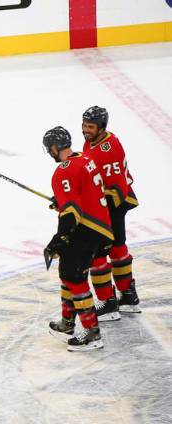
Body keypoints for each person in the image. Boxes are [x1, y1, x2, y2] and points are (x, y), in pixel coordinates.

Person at [43, 127, 113, 352]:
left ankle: (91, 333)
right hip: (101, 226)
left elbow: (71, 212)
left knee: (74, 275)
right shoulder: (85, 160)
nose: (50, 153)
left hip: (87, 228)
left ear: (54, 148)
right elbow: (82, 193)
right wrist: (62, 202)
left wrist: (59, 238)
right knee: (67, 270)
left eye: (49, 149)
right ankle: (67, 323)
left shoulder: (62, 172)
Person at [81, 105, 141, 317]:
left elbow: (114, 189)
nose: (85, 130)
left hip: (113, 203)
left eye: (90, 126)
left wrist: (82, 203)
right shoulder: (94, 141)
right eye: (84, 125)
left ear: (101, 127)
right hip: (110, 202)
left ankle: (108, 303)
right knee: (117, 248)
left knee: (98, 252)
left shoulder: (109, 149)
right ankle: (128, 296)